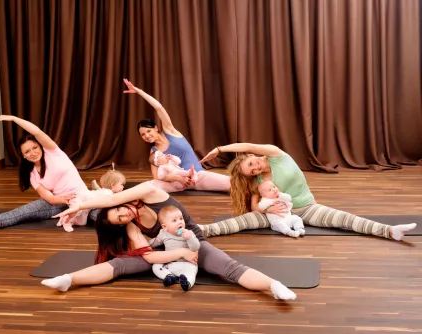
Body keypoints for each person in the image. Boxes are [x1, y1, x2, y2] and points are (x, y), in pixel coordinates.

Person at [41, 182, 297, 301]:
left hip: (193, 242)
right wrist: (178, 256)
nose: (124, 215)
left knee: (229, 268)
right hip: (165, 250)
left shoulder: (152, 193)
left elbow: (108, 201)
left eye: (120, 211)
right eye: (120, 220)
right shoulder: (131, 225)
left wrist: (78, 207)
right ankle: (68, 280)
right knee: (119, 265)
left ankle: (274, 286)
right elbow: (150, 256)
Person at [198, 143, 417, 241]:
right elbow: (255, 205)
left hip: (307, 208)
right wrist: (268, 208)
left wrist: (219, 150)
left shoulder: (276, 154)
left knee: (344, 219)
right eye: (251, 171)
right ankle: (204, 230)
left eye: (252, 163)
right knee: (244, 221)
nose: (255, 168)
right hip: (276, 215)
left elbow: (246, 143)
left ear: (251, 155)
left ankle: (390, 231)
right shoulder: (257, 181)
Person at [0, 115, 88, 234]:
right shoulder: (31, 174)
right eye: (27, 152)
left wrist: (13, 119)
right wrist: (63, 199)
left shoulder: (53, 152)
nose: (33, 153)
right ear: (24, 156)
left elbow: (36, 131)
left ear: (40, 146)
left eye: (35, 148)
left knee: (100, 215)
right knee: (22, 212)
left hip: (83, 197)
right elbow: (49, 198)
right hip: (58, 202)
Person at [123, 78, 230, 193]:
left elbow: (159, 108)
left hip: (198, 176)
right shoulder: (153, 152)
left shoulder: (170, 131)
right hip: (177, 183)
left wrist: (139, 91)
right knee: (147, 187)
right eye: (143, 135)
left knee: (231, 183)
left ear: (155, 128)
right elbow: (157, 177)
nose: (146, 136)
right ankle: (115, 195)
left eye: (148, 131)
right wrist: (179, 178)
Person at [149, 205, 200, 291]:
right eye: (174, 221)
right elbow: (156, 242)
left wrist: (189, 238)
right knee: (156, 266)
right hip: (170, 264)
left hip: (187, 264)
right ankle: (169, 276)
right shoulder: (163, 234)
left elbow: (196, 247)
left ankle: (187, 283)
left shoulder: (188, 233)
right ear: (165, 227)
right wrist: (147, 245)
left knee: (192, 271)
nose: (180, 222)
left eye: (181, 219)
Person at [59, 169, 127, 232]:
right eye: (122, 185)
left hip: (84, 199)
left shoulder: (106, 191)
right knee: (76, 216)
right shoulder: (109, 194)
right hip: (81, 200)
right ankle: (66, 223)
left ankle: (63, 219)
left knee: (82, 221)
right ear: (113, 185)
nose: (123, 187)